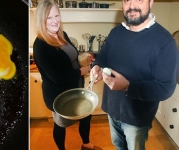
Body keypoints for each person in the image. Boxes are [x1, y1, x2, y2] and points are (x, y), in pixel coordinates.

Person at [90, 0, 179, 149]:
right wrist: (97, 66)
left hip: (136, 117)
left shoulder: (165, 42)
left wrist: (128, 86)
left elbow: (164, 88)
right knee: (118, 146)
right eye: (126, 0)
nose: (131, 6)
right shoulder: (115, 33)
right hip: (112, 109)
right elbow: (102, 57)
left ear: (151, 2)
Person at [33, 0, 102, 150]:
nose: (55, 21)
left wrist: (83, 60)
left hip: (76, 86)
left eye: (56, 15)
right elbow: (58, 77)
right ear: (41, 20)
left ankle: (86, 145)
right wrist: (84, 71)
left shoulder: (62, 35)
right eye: (49, 17)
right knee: (61, 124)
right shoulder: (41, 45)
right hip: (59, 95)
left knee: (85, 116)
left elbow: (71, 58)